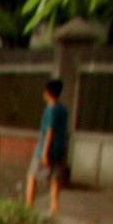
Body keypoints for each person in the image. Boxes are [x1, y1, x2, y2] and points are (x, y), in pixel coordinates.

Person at [27, 78, 69, 214]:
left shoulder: (50, 110)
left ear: (48, 92)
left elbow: (50, 130)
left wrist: (44, 151)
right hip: (58, 149)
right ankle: (54, 206)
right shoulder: (63, 110)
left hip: (46, 149)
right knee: (55, 178)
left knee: (32, 175)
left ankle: (29, 205)